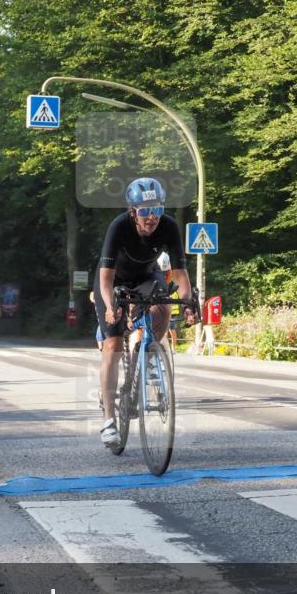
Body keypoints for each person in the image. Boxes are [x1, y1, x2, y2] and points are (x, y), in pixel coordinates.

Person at [95, 177, 196, 449]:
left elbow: (180, 274)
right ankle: (108, 420)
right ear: (132, 211)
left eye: (157, 210)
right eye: (144, 211)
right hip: (114, 279)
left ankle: (149, 353)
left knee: (163, 305)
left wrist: (187, 303)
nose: (151, 217)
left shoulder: (170, 227)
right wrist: (109, 307)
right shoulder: (119, 227)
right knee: (114, 344)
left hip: (145, 275)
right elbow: (105, 279)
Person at [158, 252, 181, 347]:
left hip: (172, 312)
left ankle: (167, 346)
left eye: (166, 274)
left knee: (167, 330)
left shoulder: (170, 280)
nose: (164, 276)